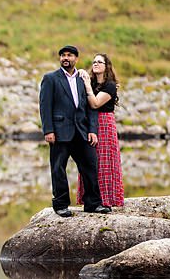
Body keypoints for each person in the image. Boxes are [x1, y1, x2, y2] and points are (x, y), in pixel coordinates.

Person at [38, 45, 110, 217]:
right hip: (59, 131)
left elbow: (91, 108)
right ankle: (61, 204)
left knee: (90, 165)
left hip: (82, 131)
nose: (65, 58)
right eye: (63, 55)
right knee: (58, 168)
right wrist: (48, 130)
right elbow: (44, 106)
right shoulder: (50, 78)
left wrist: (92, 130)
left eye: (69, 55)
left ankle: (93, 203)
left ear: (76, 59)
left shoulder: (83, 79)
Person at [77, 53, 125, 208]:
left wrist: (87, 87)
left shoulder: (110, 85)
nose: (95, 64)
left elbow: (96, 103)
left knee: (105, 161)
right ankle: (90, 199)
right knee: (90, 160)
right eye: (94, 62)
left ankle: (107, 199)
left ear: (106, 66)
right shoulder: (90, 82)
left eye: (99, 62)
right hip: (89, 123)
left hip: (104, 122)